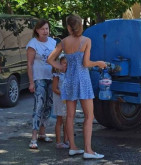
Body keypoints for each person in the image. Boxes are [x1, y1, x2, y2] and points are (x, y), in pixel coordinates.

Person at [48, 14, 106, 159]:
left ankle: (72, 147)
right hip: (83, 80)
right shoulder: (86, 40)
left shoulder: (64, 42)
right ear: (80, 26)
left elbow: (50, 59)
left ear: (68, 27)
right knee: (89, 116)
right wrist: (98, 63)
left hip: (69, 80)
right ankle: (88, 150)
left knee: (70, 116)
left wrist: (61, 68)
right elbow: (86, 64)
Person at [26, 19, 56, 149]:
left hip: (52, 77)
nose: (45, 31)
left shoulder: (53, 42)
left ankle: (43, 133)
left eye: (47, 29)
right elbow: (29, 64)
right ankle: (34, 137)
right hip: (39, 78)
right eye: (43, 29)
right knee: (38, 106)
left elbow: (56, 60)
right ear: (37, 30)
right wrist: (31, 82)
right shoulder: (33, 44)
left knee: (49, 105)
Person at [52, 56, 69, 149]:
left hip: (67, 100)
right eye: (64, 63)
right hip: (60, 100)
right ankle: (58, 142)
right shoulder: (57, 75)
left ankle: (66, 140)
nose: (66, 65)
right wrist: (63, 94)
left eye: (67, 63)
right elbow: (54, 89)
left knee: (67, 120)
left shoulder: (68, 75)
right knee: (60, 120)